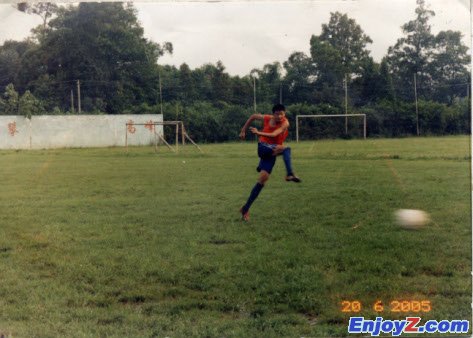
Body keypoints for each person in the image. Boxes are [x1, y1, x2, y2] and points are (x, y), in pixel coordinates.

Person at [239, 104, 301, 221]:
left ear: (284, 114)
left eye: (281, 114)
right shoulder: (267, 118)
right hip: (263, 147)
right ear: (273, 114)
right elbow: (253, 116)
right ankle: (289, 174)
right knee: (286, 149)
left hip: (272, 150)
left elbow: (274, 134)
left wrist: (258, 133)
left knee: (263, 179)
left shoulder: (285, 123)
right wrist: (243, 130)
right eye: (276, 114)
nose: (279, 116)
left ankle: (245, 209)